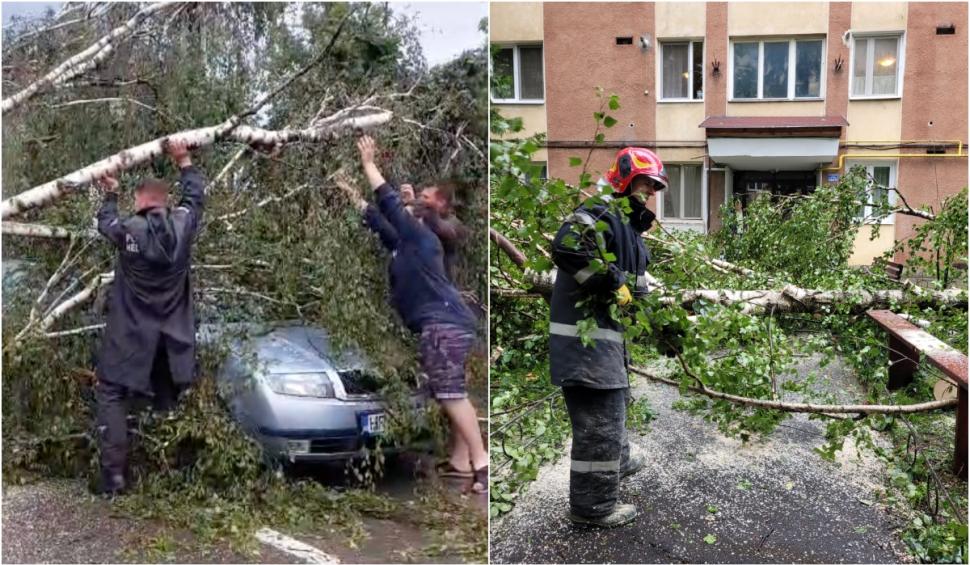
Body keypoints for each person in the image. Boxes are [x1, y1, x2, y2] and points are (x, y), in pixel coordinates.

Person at [337, 136, 488, 493]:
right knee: (454, 391)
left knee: (450, 393)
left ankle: (482, 465)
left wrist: (369, 165)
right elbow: (377, 218)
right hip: (451, 323)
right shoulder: (406, 244)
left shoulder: (423, 239)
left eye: (418, 204)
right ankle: (460, 462)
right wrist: (348, 190)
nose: (410, 206)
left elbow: (387, 204)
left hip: (443, 325)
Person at [549, 146, 667, 527]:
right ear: (627, 180)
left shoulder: (628, 230)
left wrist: (667, 323)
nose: (650, 193)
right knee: (600, 423)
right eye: (646, 185)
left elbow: (638, 290)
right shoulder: (603, 212)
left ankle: (619, 462)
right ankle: (592, 508)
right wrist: (611, 281)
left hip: (607, 339)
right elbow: (566, 246)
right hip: (584, 341)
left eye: (653, 187)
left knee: (614, 406)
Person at [92, 138, 205, 496]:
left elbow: (105, 222)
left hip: (129, 335)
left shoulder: (127, 231)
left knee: (111, 394)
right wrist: (184, 160)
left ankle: (114, 479)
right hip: (169, 339)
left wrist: (110, 193)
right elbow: (195, 200)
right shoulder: (183, 226)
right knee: (164, 395)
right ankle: (175, 468)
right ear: (165, 200)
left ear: (140, 200)